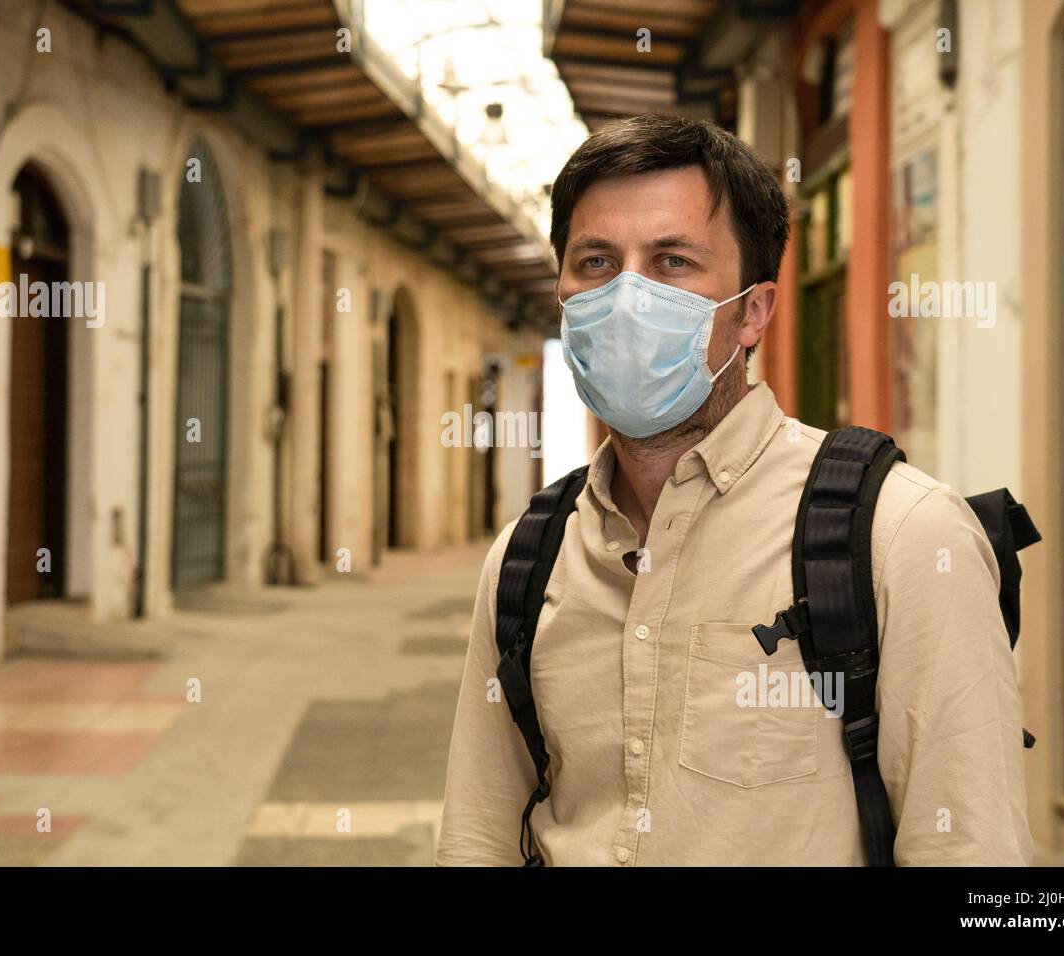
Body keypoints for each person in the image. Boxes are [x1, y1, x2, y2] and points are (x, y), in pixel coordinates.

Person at [434, 114, 1033, 866]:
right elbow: (478, 835)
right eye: (595, 262)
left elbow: (972, 858)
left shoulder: (902, 537)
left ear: (753, 312)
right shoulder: (528, 559)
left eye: (672, 262)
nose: (625, 298)